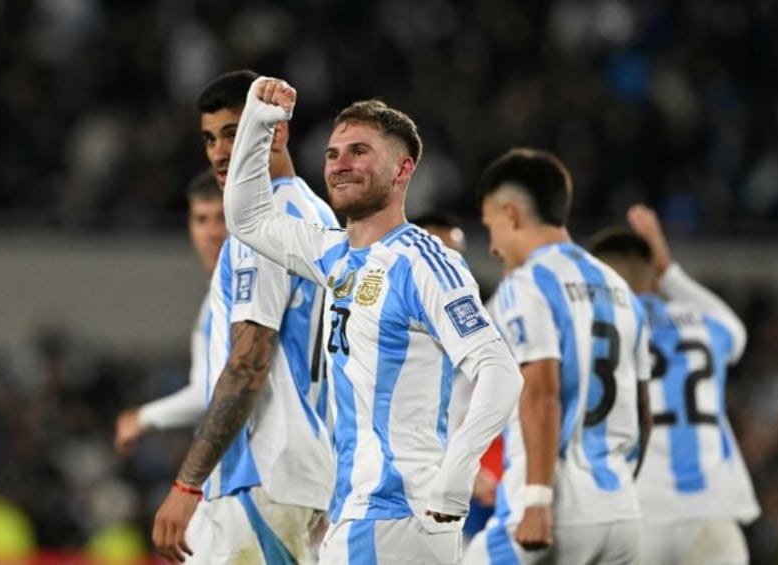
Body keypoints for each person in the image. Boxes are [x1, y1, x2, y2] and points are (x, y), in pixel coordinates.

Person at [223, 76, 522, 564]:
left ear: (403, 170)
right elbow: (248, 218)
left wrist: (453, 480)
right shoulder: (334, 254)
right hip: (361, 512)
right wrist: (259, 118)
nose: (341, 164)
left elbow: (501, 372)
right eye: (333, 154)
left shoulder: (423, 261)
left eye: (359, 151)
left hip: (398, 514)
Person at [152, 70, 338, 564]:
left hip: (260, 472)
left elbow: (249, 361)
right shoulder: (317, 215)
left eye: (234, 133)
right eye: (209, 138)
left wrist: (187, 484)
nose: (217, 152)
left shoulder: (264, 224)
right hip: (299, 469)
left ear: (274, 131)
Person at [466, 148, 652, 564]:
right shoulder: (621, 289)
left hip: (554, 513)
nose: (493, 247)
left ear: (510, 214)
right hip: (622, 515)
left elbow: (542, 393)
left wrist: (537, 501)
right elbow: (644, 411)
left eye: (490, 226)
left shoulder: (527, 284)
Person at [588, 204, 761, 565]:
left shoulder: (596, 336)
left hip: (640, 510)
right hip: (712, 511)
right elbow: (737, 332)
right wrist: (666, 267)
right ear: (652, 279)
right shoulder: (703, 323)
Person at [113, 170, 226, 456]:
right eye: (201, 219)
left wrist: (143, 418)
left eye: (222, 218)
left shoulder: (242, 297)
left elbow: (210, 391)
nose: (211, 233)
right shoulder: (214, 300)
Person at [411, 211, 503, 541]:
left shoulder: (479, 331)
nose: (446, 270)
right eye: (436, 255)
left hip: (454, 491)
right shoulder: (376, 328)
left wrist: (471, 468)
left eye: (455, 258)